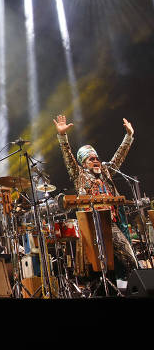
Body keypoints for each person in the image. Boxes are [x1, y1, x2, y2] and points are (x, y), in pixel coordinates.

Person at [53, 114, 138, 278]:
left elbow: (119, 157)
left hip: (112, 222)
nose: (96, 161)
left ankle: (129, 287)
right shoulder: (79, 175)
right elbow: (68, 157)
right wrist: (62, 136)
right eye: (91, 159)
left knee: (127, 261)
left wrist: (129, 136)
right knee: (98, 268)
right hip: (91, 225)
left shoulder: (106, 172)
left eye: (97, 158)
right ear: (84, 163)